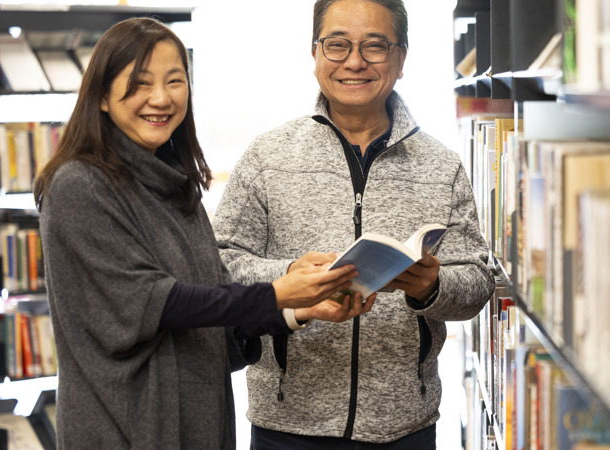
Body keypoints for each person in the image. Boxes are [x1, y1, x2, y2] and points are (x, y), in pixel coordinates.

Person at [33, 17, 374, 449]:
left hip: (199, 424)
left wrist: (301, 309)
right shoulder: (77, 185)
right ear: (101, 95)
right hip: (122, 428)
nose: (161, 98)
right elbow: (154, 303)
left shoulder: (176, 188)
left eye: (175, 81)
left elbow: (212, 312)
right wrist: (280, 292)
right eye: (140, 83)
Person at [212, 0, 495, 447]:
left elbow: (478, 282)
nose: (355, 62)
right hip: (287, 426)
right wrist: (290, 277)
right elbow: (220, 267)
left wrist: (431, 287)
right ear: (315, 54)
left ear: (401, 59)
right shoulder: (267, 157)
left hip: (404, 427)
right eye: (338, 45)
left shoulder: (443, 167)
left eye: (375, 47)